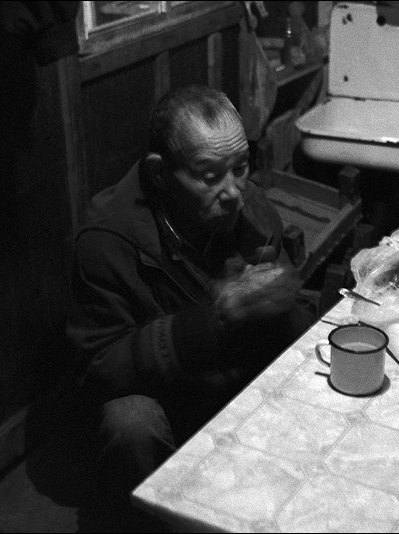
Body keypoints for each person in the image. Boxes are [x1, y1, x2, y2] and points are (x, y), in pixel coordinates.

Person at [66, 85, 314, 510]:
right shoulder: (108, 243)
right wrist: (212, 320)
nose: (234, 190)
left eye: (240, 167)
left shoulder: (248, 208)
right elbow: (97, 368)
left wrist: (281, 298)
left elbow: (288, 309)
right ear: (161, 175)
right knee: (130, 424)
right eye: (209, 175)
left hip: (230, 379)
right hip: (170, 398)